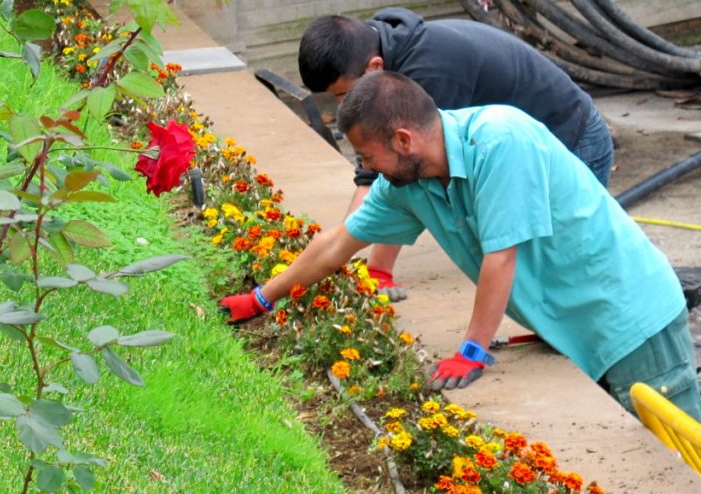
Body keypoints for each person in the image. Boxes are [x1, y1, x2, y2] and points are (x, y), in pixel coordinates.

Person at [219, 71, 700, 420]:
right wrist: (263, 296)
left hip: (632, 318)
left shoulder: (500, 141)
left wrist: (472, 348)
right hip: (576, 324)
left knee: (677, 453)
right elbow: (336, 245)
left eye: (368, 156)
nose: (367, 168)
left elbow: (502, 256)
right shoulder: (407, 183)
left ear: (403, 139)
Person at [297, 8, 614, 302]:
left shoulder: (429, 76)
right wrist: (346, 256)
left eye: (342, 95)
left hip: (573, 139)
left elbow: (405, 182)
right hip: (524, 145)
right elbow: (371, 177)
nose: (341, 106)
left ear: (375, 68)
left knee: (567, 277)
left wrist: (377, 270)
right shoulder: (379, 49)